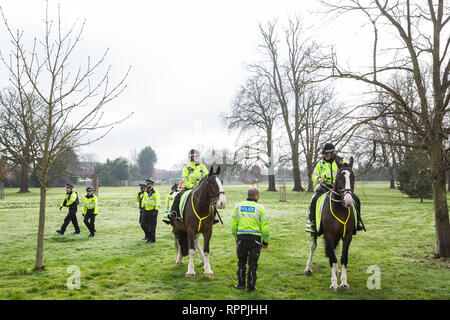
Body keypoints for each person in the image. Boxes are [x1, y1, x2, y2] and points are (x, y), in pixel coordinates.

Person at [309, 143, 365, 233]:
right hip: (325, 187)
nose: (325, 155)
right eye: (324, 154)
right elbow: (314, 175)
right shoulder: (321, 163)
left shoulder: (342, 160)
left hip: (340, 188)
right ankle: (313, 222)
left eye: (326, 154)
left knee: (356, 199)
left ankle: (357, 222)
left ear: (332, 153)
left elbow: (349, 172)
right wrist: (318, 178)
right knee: (314, 199)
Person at [231, 187, 269, 291]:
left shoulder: (238, 206)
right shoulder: (260, 208)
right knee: (253, 263)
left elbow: (233, 225)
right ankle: (251, 286)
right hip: (255, 240)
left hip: (241, 238)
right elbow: (265, 228)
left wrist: (236, 238)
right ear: (256, 195)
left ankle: (241, 284)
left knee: (241, 262)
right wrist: (265, 241)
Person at [168, 149, 209, 222]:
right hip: (189, 188)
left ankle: (213, 217)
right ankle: (174, 213)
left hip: (201, 189)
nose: (197, 157)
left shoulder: (203, 167)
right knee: (178, 196)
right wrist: (192, 186)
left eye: (198, 156)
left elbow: (207, 177)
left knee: (211, 199)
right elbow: (185, 180)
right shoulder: (186, 167)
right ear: (192, 157)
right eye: (195, 156)